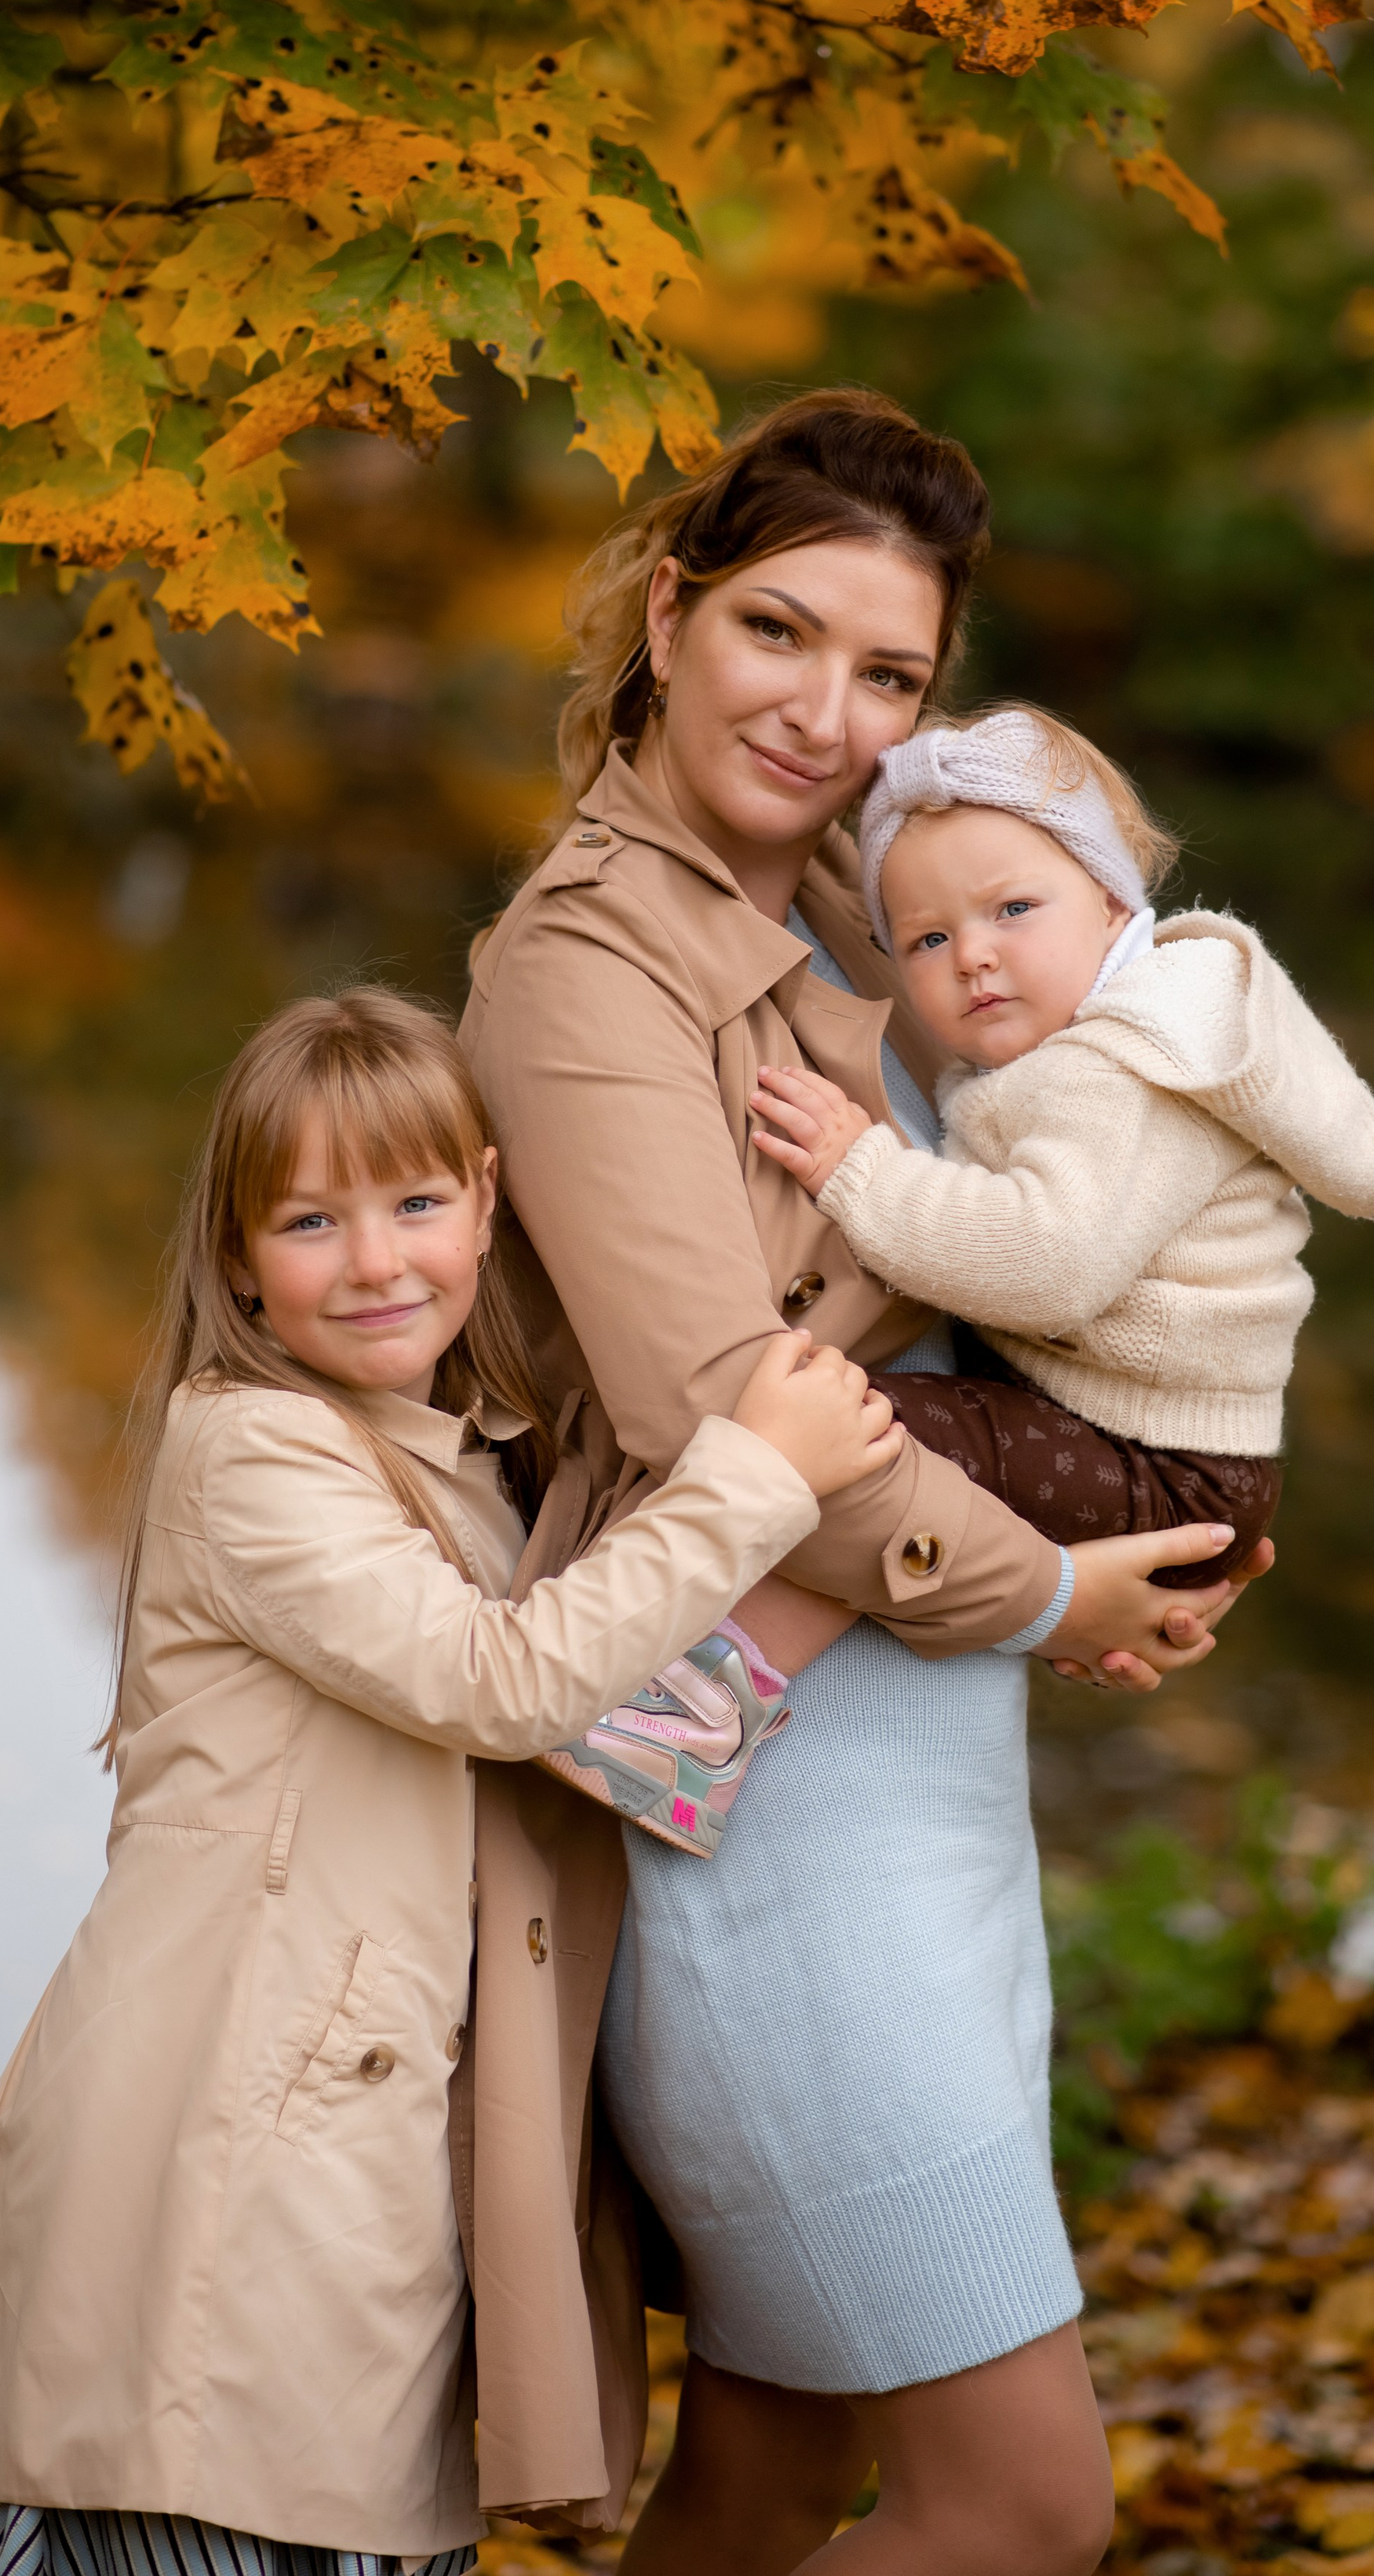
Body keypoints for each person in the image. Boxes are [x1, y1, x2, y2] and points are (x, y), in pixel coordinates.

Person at [460, 390, 1270, 2576]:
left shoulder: (862, 888)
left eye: (889, 675)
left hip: (926, 1778)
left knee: (767, 2479)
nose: (826, 714)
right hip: (771, 1814)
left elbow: (1094, 1122)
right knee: (1018, 2509)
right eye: (777, 635)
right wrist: (1055, 1588)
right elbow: (726, 1402)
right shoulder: (583, 969)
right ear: (667, 611)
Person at [0, 987, 898, 2576]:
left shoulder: (456, 1467)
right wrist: (759, 1475)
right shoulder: (248, 1453)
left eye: (416, 1202)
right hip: (218, 2178)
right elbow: (504, 1684)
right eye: (311, 1219)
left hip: (355, 2197)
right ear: (241, 1255)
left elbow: (616, 1742)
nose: (377, 1260)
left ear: (489, 1201)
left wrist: (984, 1583)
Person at [742, 700, 1374, 1692]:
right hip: (1123, 1436)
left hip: (1162, 1467)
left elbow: (1046, 1265)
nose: (972, 954)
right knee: (874, 1444)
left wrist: (861, 1171)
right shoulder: (1074, 1047)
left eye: (1013, 910)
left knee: (850, 1430)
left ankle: (695, 1704)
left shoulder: (1125, 1067)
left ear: (1110, 905)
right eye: (926, 939)